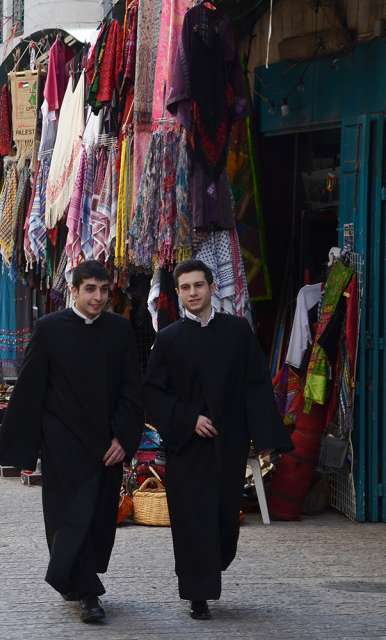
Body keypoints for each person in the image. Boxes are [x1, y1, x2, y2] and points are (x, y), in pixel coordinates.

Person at [0, 260, 144, 624]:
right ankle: (89, 594)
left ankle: (76, 578)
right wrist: (20, 448)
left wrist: (125, 436)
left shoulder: (120, 330)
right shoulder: (49, 329)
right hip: (63, 445)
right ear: (73, 291)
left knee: (98, 519)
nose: (98, 297)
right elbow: (30, 389)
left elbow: (132, 389)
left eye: (104, 290)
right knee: (70, 517)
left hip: (107, 445)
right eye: (90, 289)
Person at [143, 259, 293, 621]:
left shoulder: (238, 331)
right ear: (177, 293)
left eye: (198, 285)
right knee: (192, 519)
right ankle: (198, 594)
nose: (193, 293)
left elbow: (256, 385)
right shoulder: (168, 338)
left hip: (230, 442)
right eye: (185, 287)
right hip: (187, 447)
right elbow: (153, 393)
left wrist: (266, 435)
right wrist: (188, 418)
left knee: (226, 519)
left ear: (211, 287)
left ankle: (211, 567)